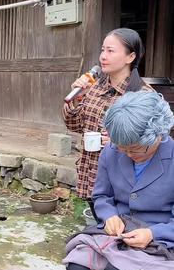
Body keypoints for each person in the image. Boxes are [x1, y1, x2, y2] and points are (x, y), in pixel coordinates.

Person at [64, 91, 174, 270]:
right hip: (119, 232)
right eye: (122, 147)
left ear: (158, 135)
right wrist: (109, 215)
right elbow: (101, 196)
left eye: (134, 149)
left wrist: (152, 234)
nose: (126, 154)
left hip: (161, 239)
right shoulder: (113, 151)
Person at [62, 28, 150, 219]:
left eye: (110, 51)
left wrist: (119, 140)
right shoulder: (93, 88)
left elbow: (154, 141)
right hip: (92, 172)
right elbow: (74, 125)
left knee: (123, 230)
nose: (103, 56)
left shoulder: (142, 95)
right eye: (102, 50)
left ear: (130, 57)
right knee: (101, 226)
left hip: (124, 178)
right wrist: (76, 97)